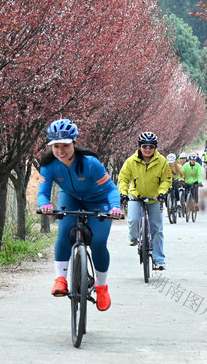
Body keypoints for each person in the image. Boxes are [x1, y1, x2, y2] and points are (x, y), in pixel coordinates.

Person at [37, 119, 123, 311]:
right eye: (56, 146)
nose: (61, 151)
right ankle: (60, 279)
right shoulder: (49, 165)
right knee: (64, 232)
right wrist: (45, 205)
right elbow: (43, 193)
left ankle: (101, 287)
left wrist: (115, 207)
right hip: (71, 198)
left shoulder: (90, 163)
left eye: (65, 146)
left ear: (74, 143)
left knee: (99, 242)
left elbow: (111, 189)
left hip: (99, 201)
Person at [117, 131, 173, 270]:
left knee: (157, 229)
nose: (147, 149)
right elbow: (123, 179)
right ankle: (133, 236)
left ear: (155, 147)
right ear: (139, 147)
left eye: (151, 146)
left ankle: (159, 260)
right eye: (144, 146)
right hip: (136, 196)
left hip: (154, 198)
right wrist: (123, 193)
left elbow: (166, 179)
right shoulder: (131, 161)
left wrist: (161, 193)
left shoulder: (162, 162)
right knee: (133, 220)